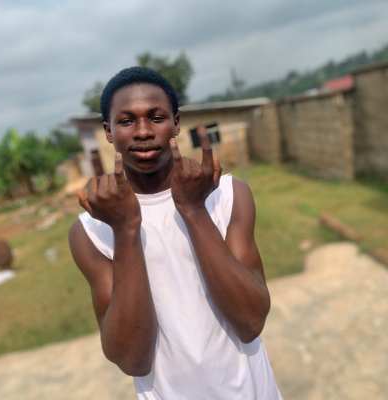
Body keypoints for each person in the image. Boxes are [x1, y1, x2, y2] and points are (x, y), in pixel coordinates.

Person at [69, 67, 282, 400]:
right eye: (126, 121)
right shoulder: (91, 230)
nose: (143, 132)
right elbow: (133, 359)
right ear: (108, 132)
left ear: (176, 124)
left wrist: (194, 210)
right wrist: (125, 229)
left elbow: (250, 322)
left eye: (157, 118)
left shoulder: (228, 195)